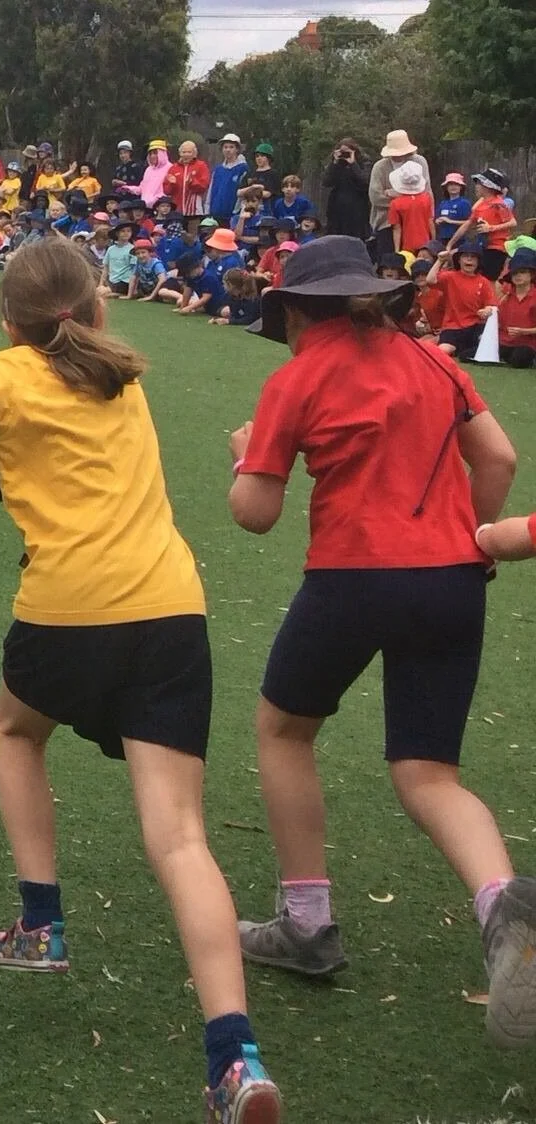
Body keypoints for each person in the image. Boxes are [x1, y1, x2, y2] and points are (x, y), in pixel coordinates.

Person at [0, 237, 283, 1122]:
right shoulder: (121, 377)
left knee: (17, 731)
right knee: (180, 840)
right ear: (96, 308)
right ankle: (235, 1058)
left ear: (7, 322)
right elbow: (54, 463)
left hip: (67, 615)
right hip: (172, 612)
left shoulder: (10, 374)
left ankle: (41, 923)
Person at [227, 235, 536, 1051]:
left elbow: (254, 512)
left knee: (285, 729)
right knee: (429, 773)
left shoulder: (296, 378)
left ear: (293, 310)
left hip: (353, 578)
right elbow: (498, 456)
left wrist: (241, 458)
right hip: (452, 579)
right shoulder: (433, 362)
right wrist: (473, 530)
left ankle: (306, 923)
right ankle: (503, 908)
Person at [425, 239, 497, 360]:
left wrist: (486, 310)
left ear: (478, 262)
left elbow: (491, 305)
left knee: (484, 341)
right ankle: (463, 351)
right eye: (465, 256)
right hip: (452, 327)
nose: (469, 259)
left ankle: (465, 351)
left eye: (473, 257)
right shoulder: (450, 276)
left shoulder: (483, 282)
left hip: (475, 326)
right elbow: (430, 280)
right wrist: (440, 260)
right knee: (443, 351)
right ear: (459, 260)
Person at [370, 130, 429, 259]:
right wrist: (402, 202)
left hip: (416, 220)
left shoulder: (420, 162)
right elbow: (375, 197)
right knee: (388, 261)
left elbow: (426, 191)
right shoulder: (379, 167)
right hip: (387, 222)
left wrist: (397, 195)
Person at [468, 168, 517, 280]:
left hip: (496, 247)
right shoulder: (484, 203)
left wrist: (491, 228)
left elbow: (513, 222)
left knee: (489, 280)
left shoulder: (499, 204)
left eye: (480, 183)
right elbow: (473, 210)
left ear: (487, 186)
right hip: (484, 245)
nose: (476, 186)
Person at [323, 138, 372, 240]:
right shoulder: (336, 164)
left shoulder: (364, 163)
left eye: (347, 152)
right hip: (337, 208)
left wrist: (353, 164)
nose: (345, 155)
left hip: (357, 207)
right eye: (342, 152)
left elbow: (365, 181)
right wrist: (334, 163)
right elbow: (326, 182)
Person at [497, 249, 536, 368]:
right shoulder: (505, 298)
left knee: (519, 358)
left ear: (532, 275)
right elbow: (498, 323)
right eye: (515, 273)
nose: (518, 276)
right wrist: (488, 313)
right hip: (504, 342)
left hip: (528, 343)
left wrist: (523, 331)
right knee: (467, 355)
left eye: (522, 272)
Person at [387, 160, 434, 254]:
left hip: (407, 245)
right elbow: (430, 222)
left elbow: (396, 228)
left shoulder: (395, 204)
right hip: (426, 244)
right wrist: (433, 241)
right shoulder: (426, 199)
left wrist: (396, 250)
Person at [208, 134, 247, 228]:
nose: (228, 150)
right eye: (225, 147)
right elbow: (211, 190)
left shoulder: (243, 168)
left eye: (231, 147)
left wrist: (236, 211)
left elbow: (243, 193)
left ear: (237, 149)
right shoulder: (218, 169)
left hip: (232, 215)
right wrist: (208, 209)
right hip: (215, 214)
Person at [169, 141, 212, 219]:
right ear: (180, 153)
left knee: (193, 231)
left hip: (194, 211)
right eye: (184, 152)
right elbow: (167, 191)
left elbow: (204, 186)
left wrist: (192, 182)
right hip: (177, 211)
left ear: (194, 153)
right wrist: (172, 184)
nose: (186, 154)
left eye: (189, 152)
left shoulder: (201, 166)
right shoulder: (173, 168)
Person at [435, 173, 472, 245]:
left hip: (459, 240)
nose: (453, 187)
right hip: (442, 238)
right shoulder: (443, 203)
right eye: (450, 184)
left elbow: (470, 223)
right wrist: (437, 221)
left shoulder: (464, 203)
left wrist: (450, 221)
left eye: (456, 184)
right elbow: (437, 218)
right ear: (446, 187)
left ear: (461, 187)